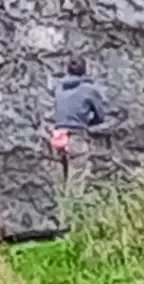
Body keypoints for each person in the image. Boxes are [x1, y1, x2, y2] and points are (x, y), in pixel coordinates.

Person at [48, 57, 111, 192]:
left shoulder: (59, 88)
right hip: (76, 136)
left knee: (60, 183)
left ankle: (61, 210)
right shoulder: (89, 89)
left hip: (58, 137)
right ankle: (72, 211)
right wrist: (88, 123)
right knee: (76, 181)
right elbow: (100, 115)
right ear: (85, 70)